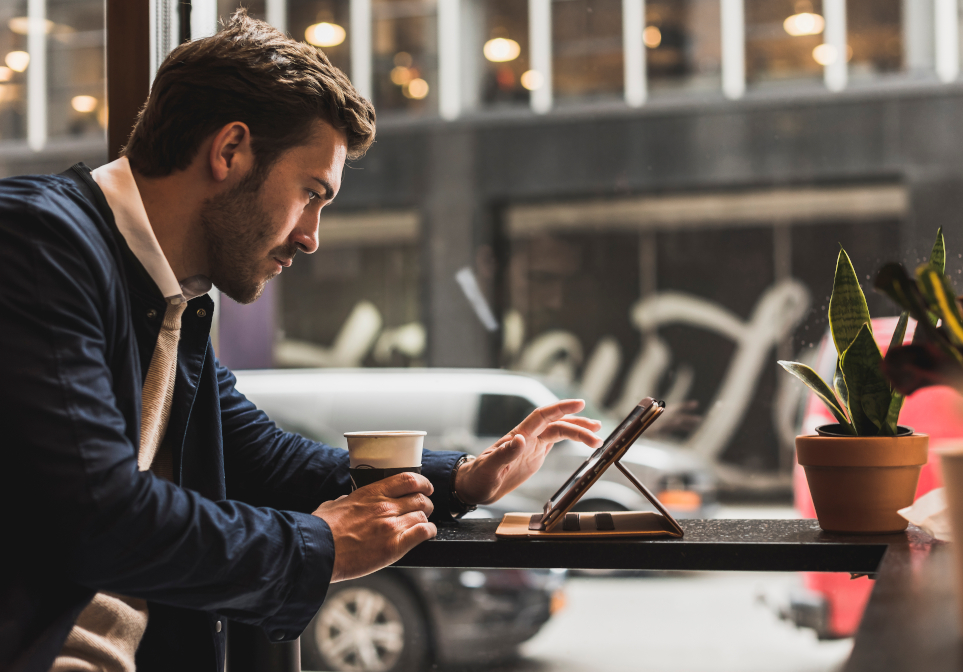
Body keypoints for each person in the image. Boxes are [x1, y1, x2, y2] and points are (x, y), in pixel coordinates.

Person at [0, 11, 602, 672]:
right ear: (230, 152)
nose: (312, 236)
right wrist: (321, 545)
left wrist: (460, 478)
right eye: (312, 193)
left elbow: (262, 460)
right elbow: (97, 513)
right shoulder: (36, 242)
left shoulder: (169, 298)